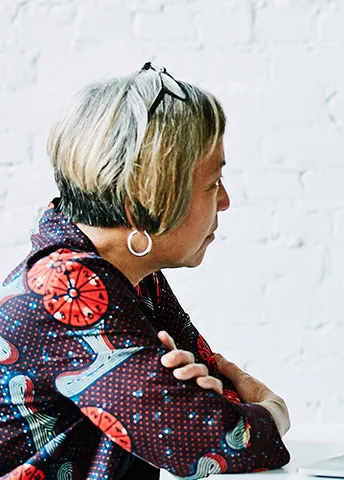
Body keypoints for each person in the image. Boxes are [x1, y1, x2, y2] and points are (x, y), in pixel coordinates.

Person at [0, 63, 290, 479]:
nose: (224, 201)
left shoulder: (130, 276)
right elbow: (213, 442)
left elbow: (213, 391)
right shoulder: (68, 288)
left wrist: (209, 410)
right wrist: (272, 411)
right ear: (146, 200)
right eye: (212, 183)